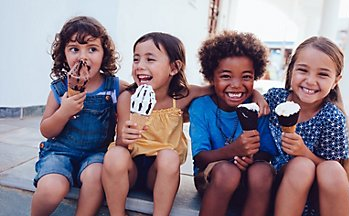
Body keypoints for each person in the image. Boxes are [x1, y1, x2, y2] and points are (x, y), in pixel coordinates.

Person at [101, 32, 269, 216]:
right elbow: (122, 145)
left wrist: (256, 94)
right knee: (115, 154)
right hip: (129, 169)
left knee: (169, 156)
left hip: (159, 173)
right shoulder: (128, 98)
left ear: (174, 68)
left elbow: (221, 88)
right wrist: (124, 139)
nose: (140, 66)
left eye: (150, 59)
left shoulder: (182, 97)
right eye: (136, 59)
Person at [31, 16, 127, 216]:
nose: (83, 56)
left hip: (96, 155)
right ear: (63, 54)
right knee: (51, 188)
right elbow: (46, 130)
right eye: (74, 49)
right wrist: (63, 112)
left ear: (104, 54)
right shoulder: (59, 89)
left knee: (97, 176)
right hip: (59, 152)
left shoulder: (113, 87)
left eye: (92, 49)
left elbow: (145, 90)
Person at [264, 36, 349, 216]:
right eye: (303, 70)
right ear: (291, 70)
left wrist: (304, 152)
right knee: (301, 167)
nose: (310, 81)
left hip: (318, 197)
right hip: (280, 186)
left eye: (322, 74)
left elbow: (333, 168)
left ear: (336, 81)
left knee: (329, 168)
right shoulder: (274, 99)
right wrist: (254, 95)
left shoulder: (332, 117)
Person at [189, 30, 277, 216]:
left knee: (263, 171)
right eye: (226, 76)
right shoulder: (201, 107)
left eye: (246, 77)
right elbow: (200, 158)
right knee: (228, 173)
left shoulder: (259, 108)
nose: (236, 85)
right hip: (213, 177)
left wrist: (251, 159)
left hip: (249, 179)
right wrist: (234, 150)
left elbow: (267, 152)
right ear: (212, 78)